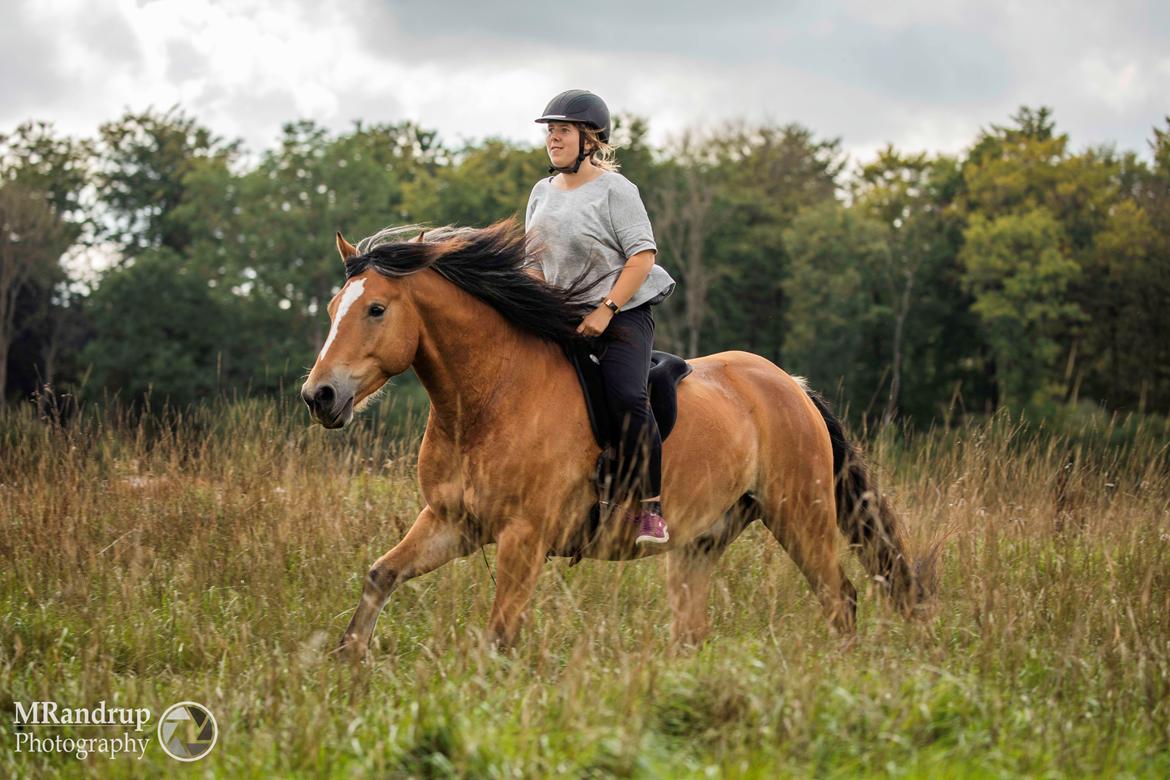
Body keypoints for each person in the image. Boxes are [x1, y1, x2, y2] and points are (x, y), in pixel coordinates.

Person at [524, 89, 677, 545]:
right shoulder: (540, 192)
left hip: (623, 313)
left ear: (590, 139)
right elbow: (532, 261)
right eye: (550, 131)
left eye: (563, 131)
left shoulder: (616, 190)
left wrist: (605, 310)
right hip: (563, 317)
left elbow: (642, 258)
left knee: (628, 397)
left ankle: (650, 509)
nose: (554, 139)